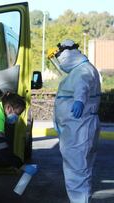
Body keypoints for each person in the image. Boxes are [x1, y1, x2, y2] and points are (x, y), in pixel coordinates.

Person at [47, 39, 101, 203]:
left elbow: (82, 87)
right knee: (82, 171)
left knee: (76, 172)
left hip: (79, 128)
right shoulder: (81, 69)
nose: (60, 63)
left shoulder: (83, 71)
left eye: (60, 58)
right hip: (78, 127)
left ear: (68, 55)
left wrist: (79, 101)